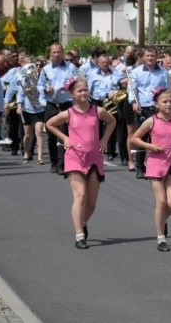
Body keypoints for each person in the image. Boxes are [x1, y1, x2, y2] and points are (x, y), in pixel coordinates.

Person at [45, 76, 116, 249]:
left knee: (91, 202)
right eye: (79, 91)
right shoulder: (68, 113)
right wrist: (65, 138)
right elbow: (50, 124)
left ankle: (83, 222)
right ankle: (79, 236)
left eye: (85, 90)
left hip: (94, 158)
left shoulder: (97, 111)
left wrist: (104, 139)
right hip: (74, 157)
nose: (83, 93)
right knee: (80, 196)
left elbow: (112, 121)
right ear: (72, 94)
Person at [130, 88, 171, 251]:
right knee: (161, 201)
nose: (169, 104)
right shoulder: (151, 121)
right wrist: (150, 146)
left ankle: (162, 219)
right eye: (165, 101)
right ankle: (161, 238)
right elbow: (135, 137)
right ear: (156, 104)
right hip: (156, 164)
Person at [128, 46, 171, 177]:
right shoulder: (136, 72)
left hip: (158, 109)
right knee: (142, 138)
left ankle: (158, 166)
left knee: (158, 139)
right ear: (143, 57)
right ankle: (140, 167)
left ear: (157, 57)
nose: (150, 58)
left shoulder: (163, 72)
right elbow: (132, 89)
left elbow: (168, 89)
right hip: (143, 108)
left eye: (152, 56)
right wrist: (134, 103)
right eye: (147, 56)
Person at [37, 43, 79, 174]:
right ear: (50, 54)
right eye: (54, 52)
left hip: (66, 103)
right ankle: (53, 162)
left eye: (58, 52)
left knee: (64, 134)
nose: (56, 54)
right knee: (51, 135)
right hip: (51, 104)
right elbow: (39, 85)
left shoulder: (71, 67)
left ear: (62, 52)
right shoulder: (46, 69)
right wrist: (45, 89)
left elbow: (76, 80)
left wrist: (67, 86)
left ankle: (62, 164)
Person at [6, 61, 45, 164]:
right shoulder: (25, 80)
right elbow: (21, 94)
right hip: (27, 109)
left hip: (40, 109)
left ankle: (40, 157)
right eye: (35, 66)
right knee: (27, 134)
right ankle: (26, 152)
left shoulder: (42, 79)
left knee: (39, 132)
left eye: (39, 66)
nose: (37, 67)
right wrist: (19, 106)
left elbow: (45, 92)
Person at [111, 48, 139, 169]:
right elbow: (115, 82)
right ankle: (130, 160)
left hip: (144, 102)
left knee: (146, 133)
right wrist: (128, 79)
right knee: (131, 132)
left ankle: (143, 160)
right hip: (129, 100)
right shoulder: (127, 68)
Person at [88, 54, 117, 160]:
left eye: (106, 62)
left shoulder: (114, 74)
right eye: (103, 62)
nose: (105, 64)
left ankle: (111, 151)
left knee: (111, 126)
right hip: (97, 102)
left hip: (111, 102)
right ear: (98, 63)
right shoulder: (93, 74)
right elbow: (89, 90)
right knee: (97, 127)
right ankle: (97, 148)